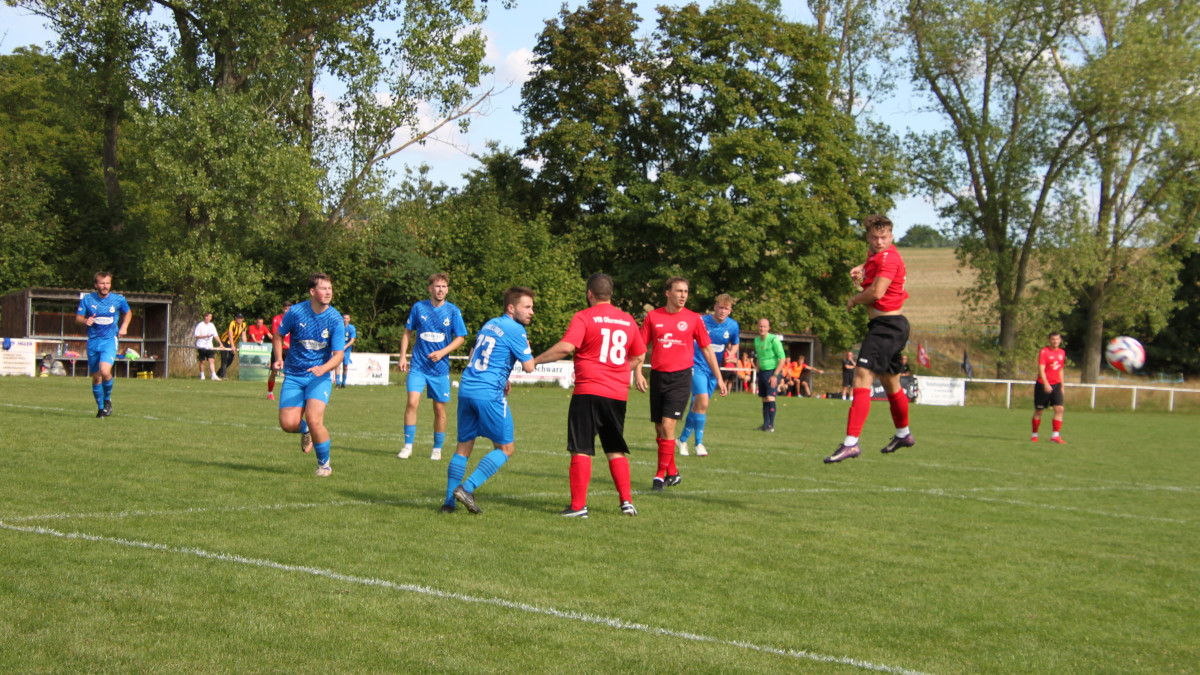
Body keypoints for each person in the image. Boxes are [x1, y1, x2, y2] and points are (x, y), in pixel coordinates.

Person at [533, 273, 647, 518]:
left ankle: (578, 507)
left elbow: (566, 347)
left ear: (589, 294)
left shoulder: (584, 316)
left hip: (589, 390)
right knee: (614, 447)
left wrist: (535, 360)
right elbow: (639, 355)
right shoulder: (627, 320)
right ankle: (627, 501)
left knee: (581, 447)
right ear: (611, 294)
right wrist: (618, 372)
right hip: (617, 394)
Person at [826, 214, 914, 463]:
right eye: (875, 237)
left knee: (862, 376)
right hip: (890, 326)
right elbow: (873, 265)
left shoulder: (889, 258)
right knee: (891, 382)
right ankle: (903, 434)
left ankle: (851, 443)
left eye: (884, 237)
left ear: (892, 236)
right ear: (868, 237)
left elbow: (876, 292)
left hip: (887, 327)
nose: (879, 241)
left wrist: (854, 299)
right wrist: (862, 269)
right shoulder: (877, 255)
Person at [447, 288, 537, 514]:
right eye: (527, 307)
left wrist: (504, 377)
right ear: (511, 308)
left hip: (467, 388)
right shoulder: (516, 329)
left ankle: (448, 503)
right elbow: (529, 366)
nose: (531, 312)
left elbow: (475, 354)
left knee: (463, 448)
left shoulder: (490, 324)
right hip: (488, 393)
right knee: (506, 448)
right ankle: (467, 488)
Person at [635, 277, 727, 491]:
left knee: (668, 426)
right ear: (668, 293)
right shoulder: (653, 316)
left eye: (686, 291)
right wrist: (638, 373)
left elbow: (707, 349)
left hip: (681, 378)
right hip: (658, 376)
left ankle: (659, 476)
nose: (683, 295)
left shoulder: (694, 318)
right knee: (660, 428)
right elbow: (640, 347)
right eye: (679, 291)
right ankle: (673, 472)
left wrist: (719, 377)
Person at [273, 273, 345, 476]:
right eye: (323, 288)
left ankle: (324, 465)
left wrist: (324, 369)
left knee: (314, 419)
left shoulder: (335, 319)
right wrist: (279, 358)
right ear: (312, 291)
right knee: (288, 424)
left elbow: (339, 355)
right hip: (294, 375)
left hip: (319, 377)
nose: (328, 292)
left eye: (330, 288)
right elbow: (278, 335)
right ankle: (306, 430)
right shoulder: (296, 312)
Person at [399, 273, 469, 461]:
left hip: (440, 369)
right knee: (412, 402)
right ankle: (407, 446)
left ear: (447, 290)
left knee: (439, 409)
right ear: (430, 288)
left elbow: (461, 338)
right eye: (437, 286)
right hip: (418, 366)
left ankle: (437, 448)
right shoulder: (418, 307)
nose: (440, 290)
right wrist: (403, 356)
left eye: (444, 287)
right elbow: (407, 332)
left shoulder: (453, 311)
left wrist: (442, 352)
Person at [676, 294, 739, 457]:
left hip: (713, 370)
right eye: (720, 307)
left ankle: (682, 440)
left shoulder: (733, 326)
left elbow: (735, 343)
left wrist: (732, 353)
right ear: (715, 307)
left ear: (730, 310)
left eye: (726, 308)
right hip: (696, 366)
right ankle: (699, 444)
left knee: (697, 406)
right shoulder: (702, 321)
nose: (723, 311)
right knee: (702, 402)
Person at [75, 271, 132, 417]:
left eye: (108, 283)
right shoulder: (88, 299)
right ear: (96, 285)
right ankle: (100, 409)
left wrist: (124, 326)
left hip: (109, 340)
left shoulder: (118, 299)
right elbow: (78, 318)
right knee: (96, 377)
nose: (105, 286)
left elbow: (128, 312)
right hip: (93, 342)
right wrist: (85, 320)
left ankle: (107, 399)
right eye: (102, 283)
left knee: (105, 371)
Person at [1032, 331, 1067, 444]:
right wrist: (1046, 384)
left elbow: (1060, 370)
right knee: (1039, 411)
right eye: (1053, 339)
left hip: (1056, 385)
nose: (1055, 341)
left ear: (1060, 340)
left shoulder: (1062, 352)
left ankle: (1055, 436)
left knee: (1059, 409)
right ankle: (1034, 435)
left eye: (1057, 339)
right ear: (1049, 340)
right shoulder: (1044, 352)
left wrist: (1062, 385)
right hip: (1043, 385)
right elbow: (1041, 369)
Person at [753, 318, 786, 431]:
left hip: (772, 372)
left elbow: (782, 358)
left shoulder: (773, 340)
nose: (762, 328)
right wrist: (758, 373)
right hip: (762, 372)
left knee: (770, 397)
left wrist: (775, 375)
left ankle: (771, 425)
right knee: (764, 398)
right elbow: (759, 357)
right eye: (760, 326)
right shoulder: (756, 340)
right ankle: (765, 424)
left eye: (764, 326)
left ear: (768, 328)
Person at [266, 300, 292, 400]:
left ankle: (287, 393)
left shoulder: (294, 319)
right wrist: (285, 343)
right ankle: (270, 392)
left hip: (289, 350)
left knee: (289, 373)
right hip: (278, 348)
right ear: (282, 309)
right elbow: (275, 335)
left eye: (289, 309)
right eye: (285, 308)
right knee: (274, 371)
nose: (287, 310)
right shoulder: (276, 319)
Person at [194, 312, 224, 381]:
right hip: (201, 346)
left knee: (211, 360)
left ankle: (213, 375)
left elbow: (215, 335)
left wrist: (220, 344)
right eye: (207, 316)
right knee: (202, 361)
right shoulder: (200, 325)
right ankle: (202, 375)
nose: (208, 318)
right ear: (205, 317)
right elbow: (196, 335)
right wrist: (206, 336)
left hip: (209, 346)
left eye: (210, 317)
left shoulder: (212, 325)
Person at [217, 313, 248, 379]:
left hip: (233, 342)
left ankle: (219, 373)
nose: (239, 320)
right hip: (225, 341)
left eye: (240, 318)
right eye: (238, 318)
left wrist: (245, 345)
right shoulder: (232, 323)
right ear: (236, 318)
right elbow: (230, 335)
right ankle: (223, 376)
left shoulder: (244, 325)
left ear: (243, 319)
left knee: (230, 360)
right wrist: (232, 346)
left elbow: (243, 336)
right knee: (224, 358)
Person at [336, 313, 356, 388]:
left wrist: (345, 347)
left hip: (346, 349)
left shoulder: (351, 328)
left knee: (345, 366)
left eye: (347, 318)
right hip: (339, 349)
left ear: (349, 319)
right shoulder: (339, 327)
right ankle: (338, 383)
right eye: (344, 318)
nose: (345, 320)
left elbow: (352, 340)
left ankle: (343, 383)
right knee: (337, 364)